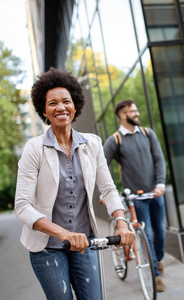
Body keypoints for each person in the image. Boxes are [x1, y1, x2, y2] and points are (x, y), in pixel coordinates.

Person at [14, 68, 134, 300]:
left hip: (84, 241)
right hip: (46, 246)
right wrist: (63, 233)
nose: (60, 107)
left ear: (75, 106)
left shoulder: (93, 144)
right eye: (52, 103)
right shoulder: (34, 149)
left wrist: (121, 221)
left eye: (66, 101)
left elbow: (108, 189)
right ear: (43, 111)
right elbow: (22, 205)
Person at [103, 99, 166, 292]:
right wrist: (104, 192)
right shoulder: (115, 140)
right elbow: (101, 167)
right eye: (133, 111)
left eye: (137, 110)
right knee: (146, 234)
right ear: (123, 115)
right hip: (135, 199)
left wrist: (161, 183)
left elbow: (159, 159)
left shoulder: (148, 133)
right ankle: (155, 276)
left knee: (161, 232)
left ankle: (158, 259)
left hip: (155, 193)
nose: (137, 114)